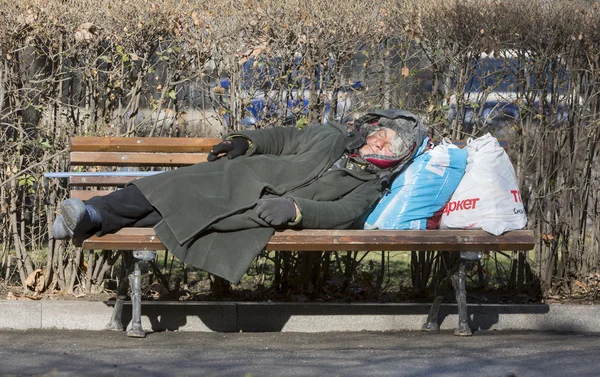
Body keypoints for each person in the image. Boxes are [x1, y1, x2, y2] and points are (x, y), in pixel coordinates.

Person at [52, 109, 425, 284]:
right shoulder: (331, 136)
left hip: (262, 209)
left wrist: (295, 210)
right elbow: (282, 138)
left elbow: (343, 214)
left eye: (387, 143)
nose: (377, 140)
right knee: (171, 188)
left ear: (396, 155)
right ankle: (91, 213)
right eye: (380, 132)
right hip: (241, 175)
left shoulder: (370, 184)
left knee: (188, 212)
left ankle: (91, 217)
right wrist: (243, 141)